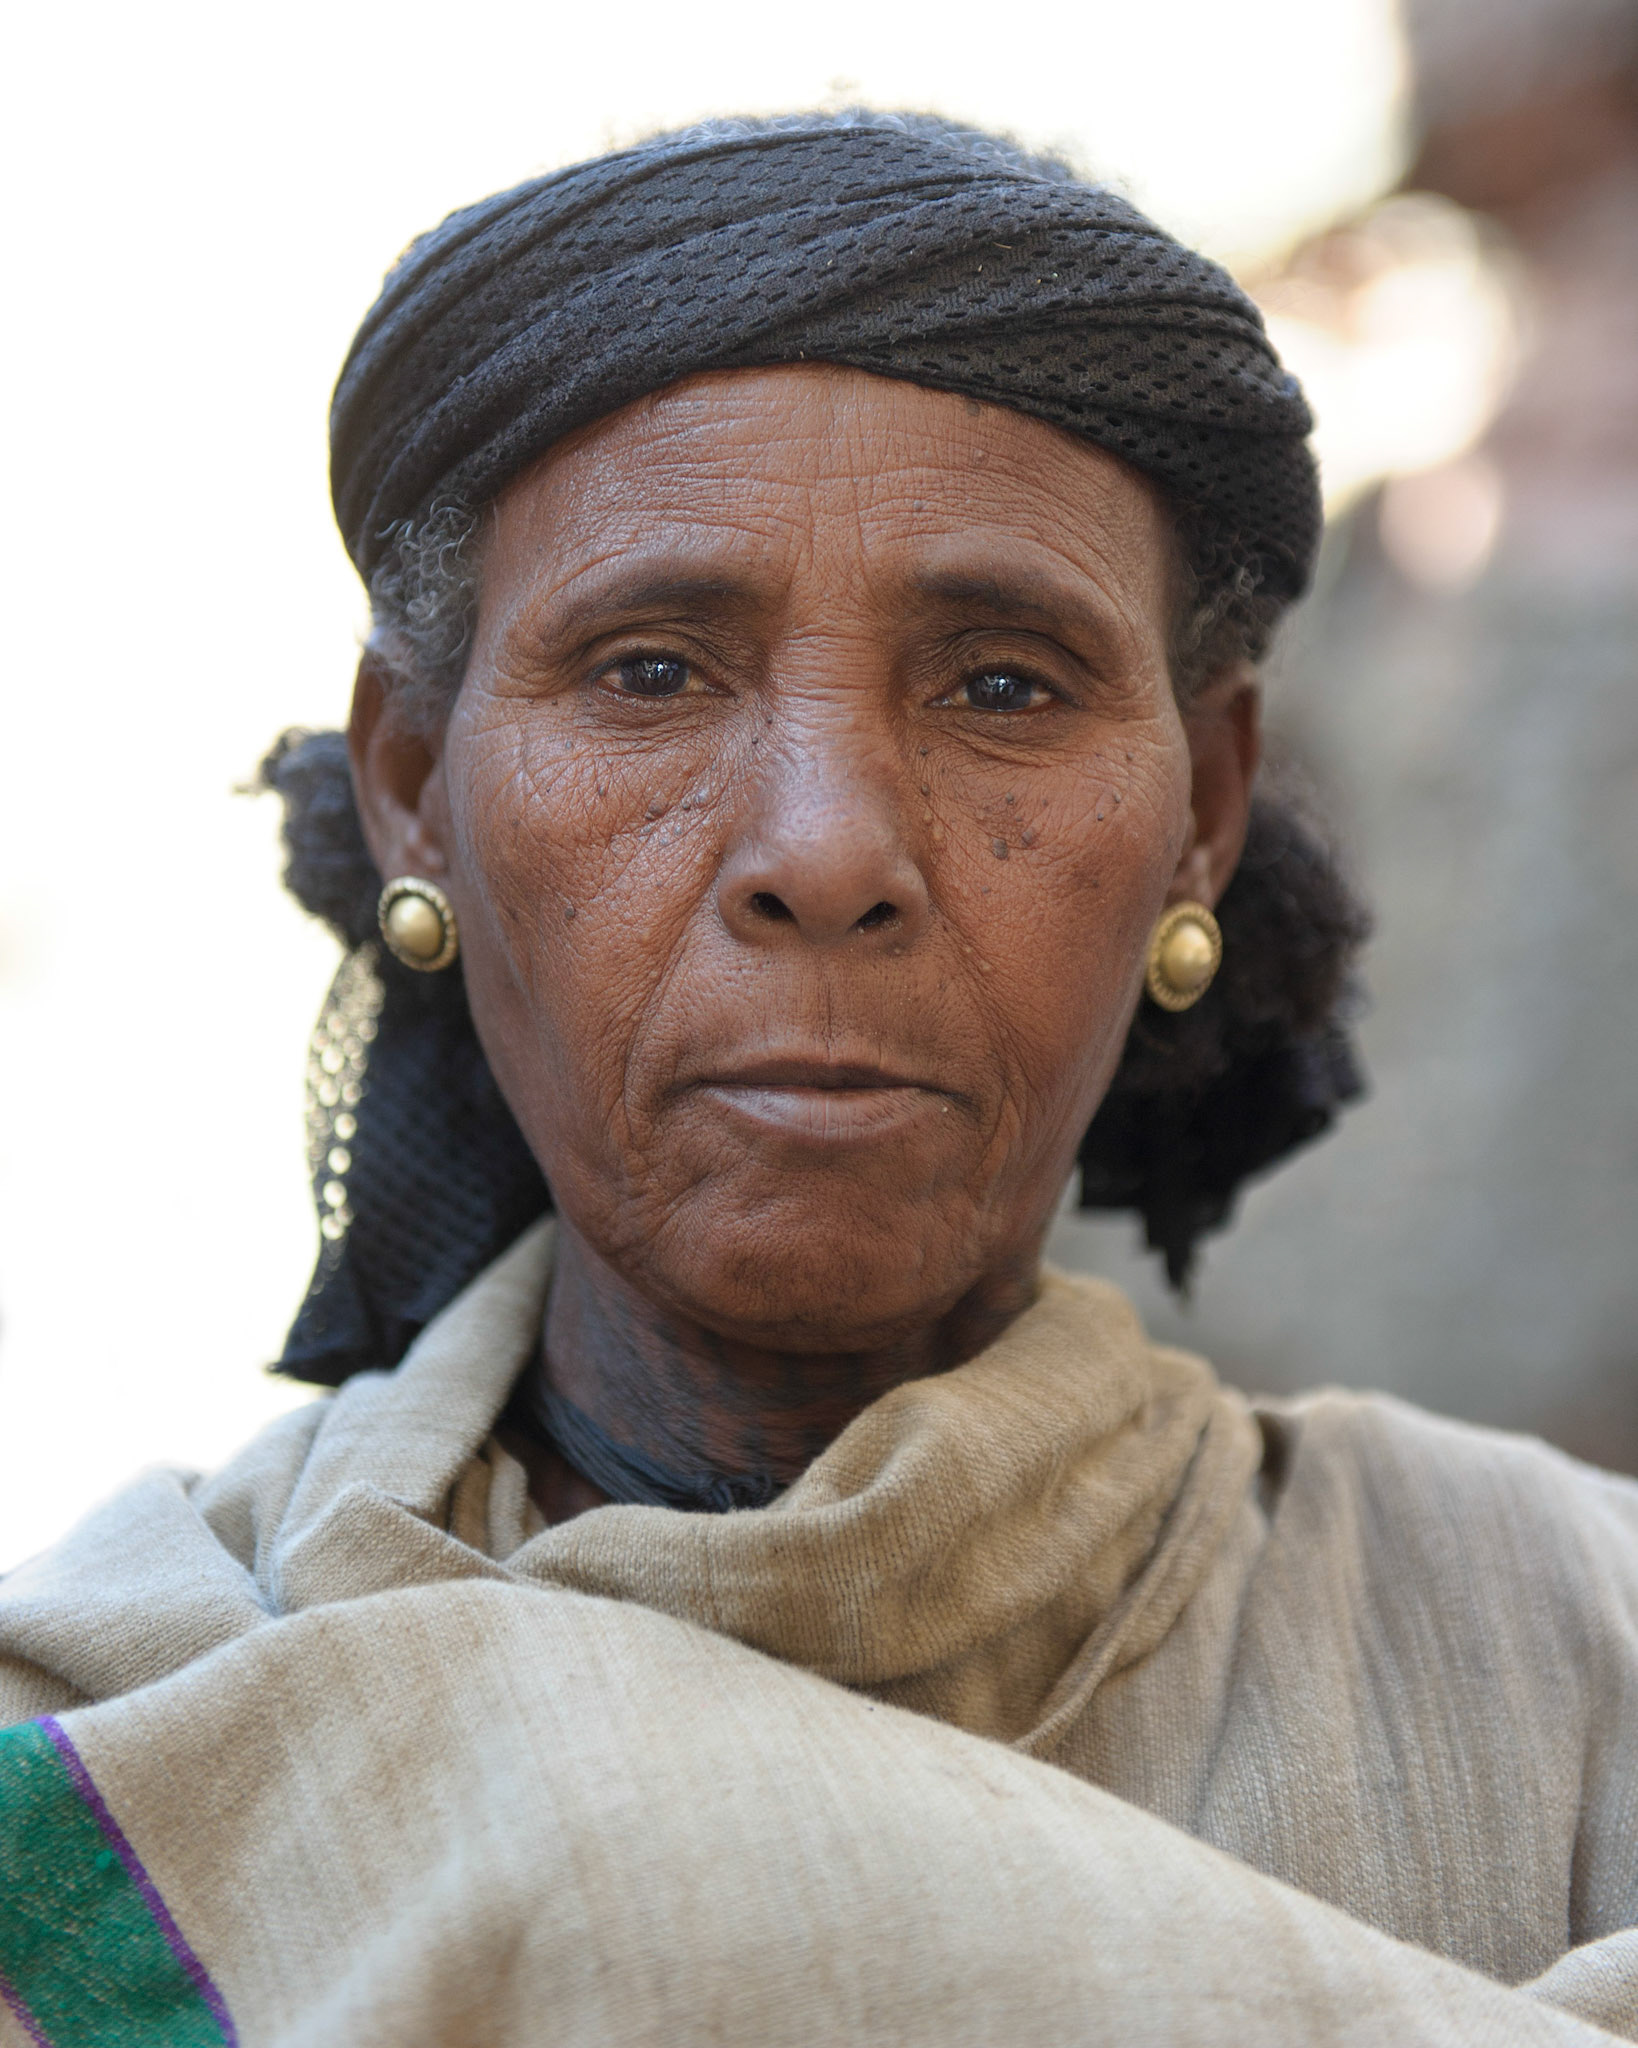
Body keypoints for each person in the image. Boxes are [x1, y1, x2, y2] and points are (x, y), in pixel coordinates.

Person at [0, 113, 1633, 2048]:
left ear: (1199, 810)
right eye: (652, 672)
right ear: (417, 787)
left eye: (1004, 685)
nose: (827, 847)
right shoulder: (116, 1754)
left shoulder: (1570, 1652)